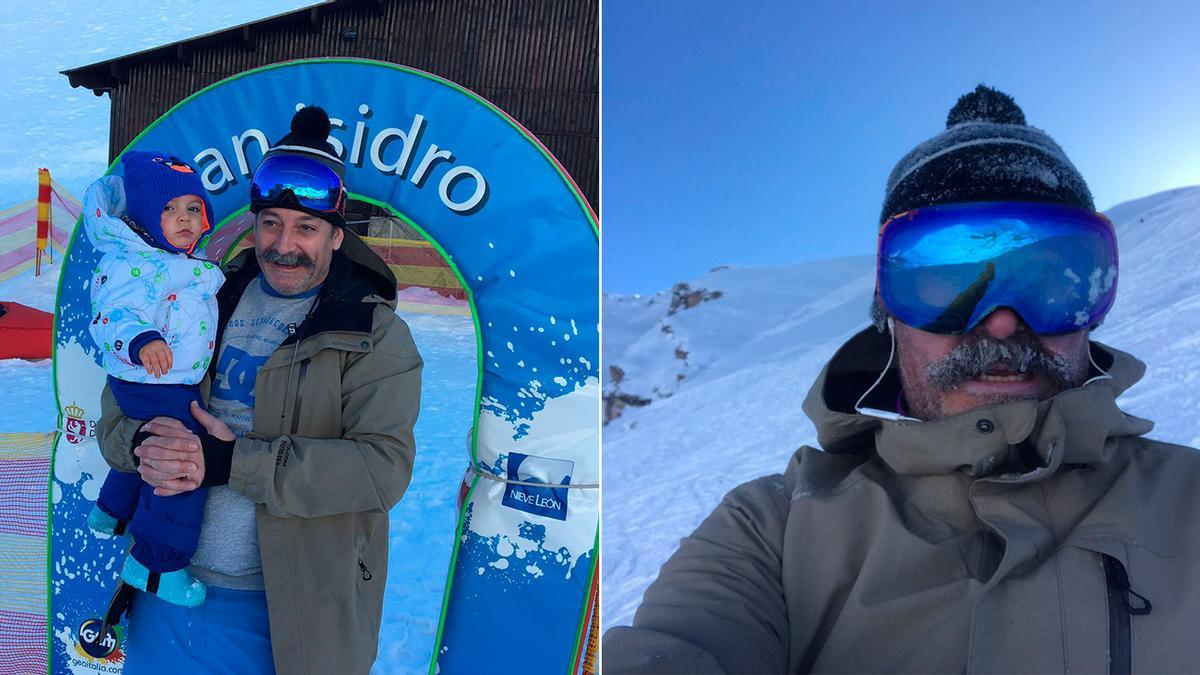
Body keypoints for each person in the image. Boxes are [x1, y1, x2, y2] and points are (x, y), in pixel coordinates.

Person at [603, 85, 1200, 673]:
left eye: (1050, 280)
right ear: (887, 315)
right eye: (946, 284)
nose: (999, 323)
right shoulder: (773, 533)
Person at [96, 106, 423, 675]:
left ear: (336, 237)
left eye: (306, 228)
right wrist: (146, 441)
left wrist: (229, 461)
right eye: (270, 222)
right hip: (167, 590)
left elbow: (382, 469)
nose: (283, 244)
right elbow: (113, 421)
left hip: (285, 615)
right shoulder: (202, 300)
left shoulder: (375, 335)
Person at [85, 150, 223, 608]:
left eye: (192, 208)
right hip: (148, 378)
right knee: (182, 459)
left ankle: (112, 511)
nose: (183, 219)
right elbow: (109, 315)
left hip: (170, 380)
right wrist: (140, 339)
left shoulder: (176, 258)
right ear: (145, 215)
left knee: (157, 442)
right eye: (168, 209)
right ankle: (155, 564)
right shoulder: (132, 261)